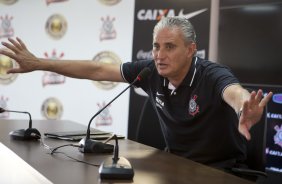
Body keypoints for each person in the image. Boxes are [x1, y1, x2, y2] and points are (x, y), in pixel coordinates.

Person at [0, 17, 272, 172]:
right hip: (175, 167)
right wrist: (39, 64)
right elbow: (96, 69)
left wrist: (243, 107)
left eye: (169, 47)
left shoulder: (211, 74)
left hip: (221, 172)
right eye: (156, 46)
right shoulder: (150, 71)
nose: (159, 55)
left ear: (191, 50)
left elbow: (233, 92)